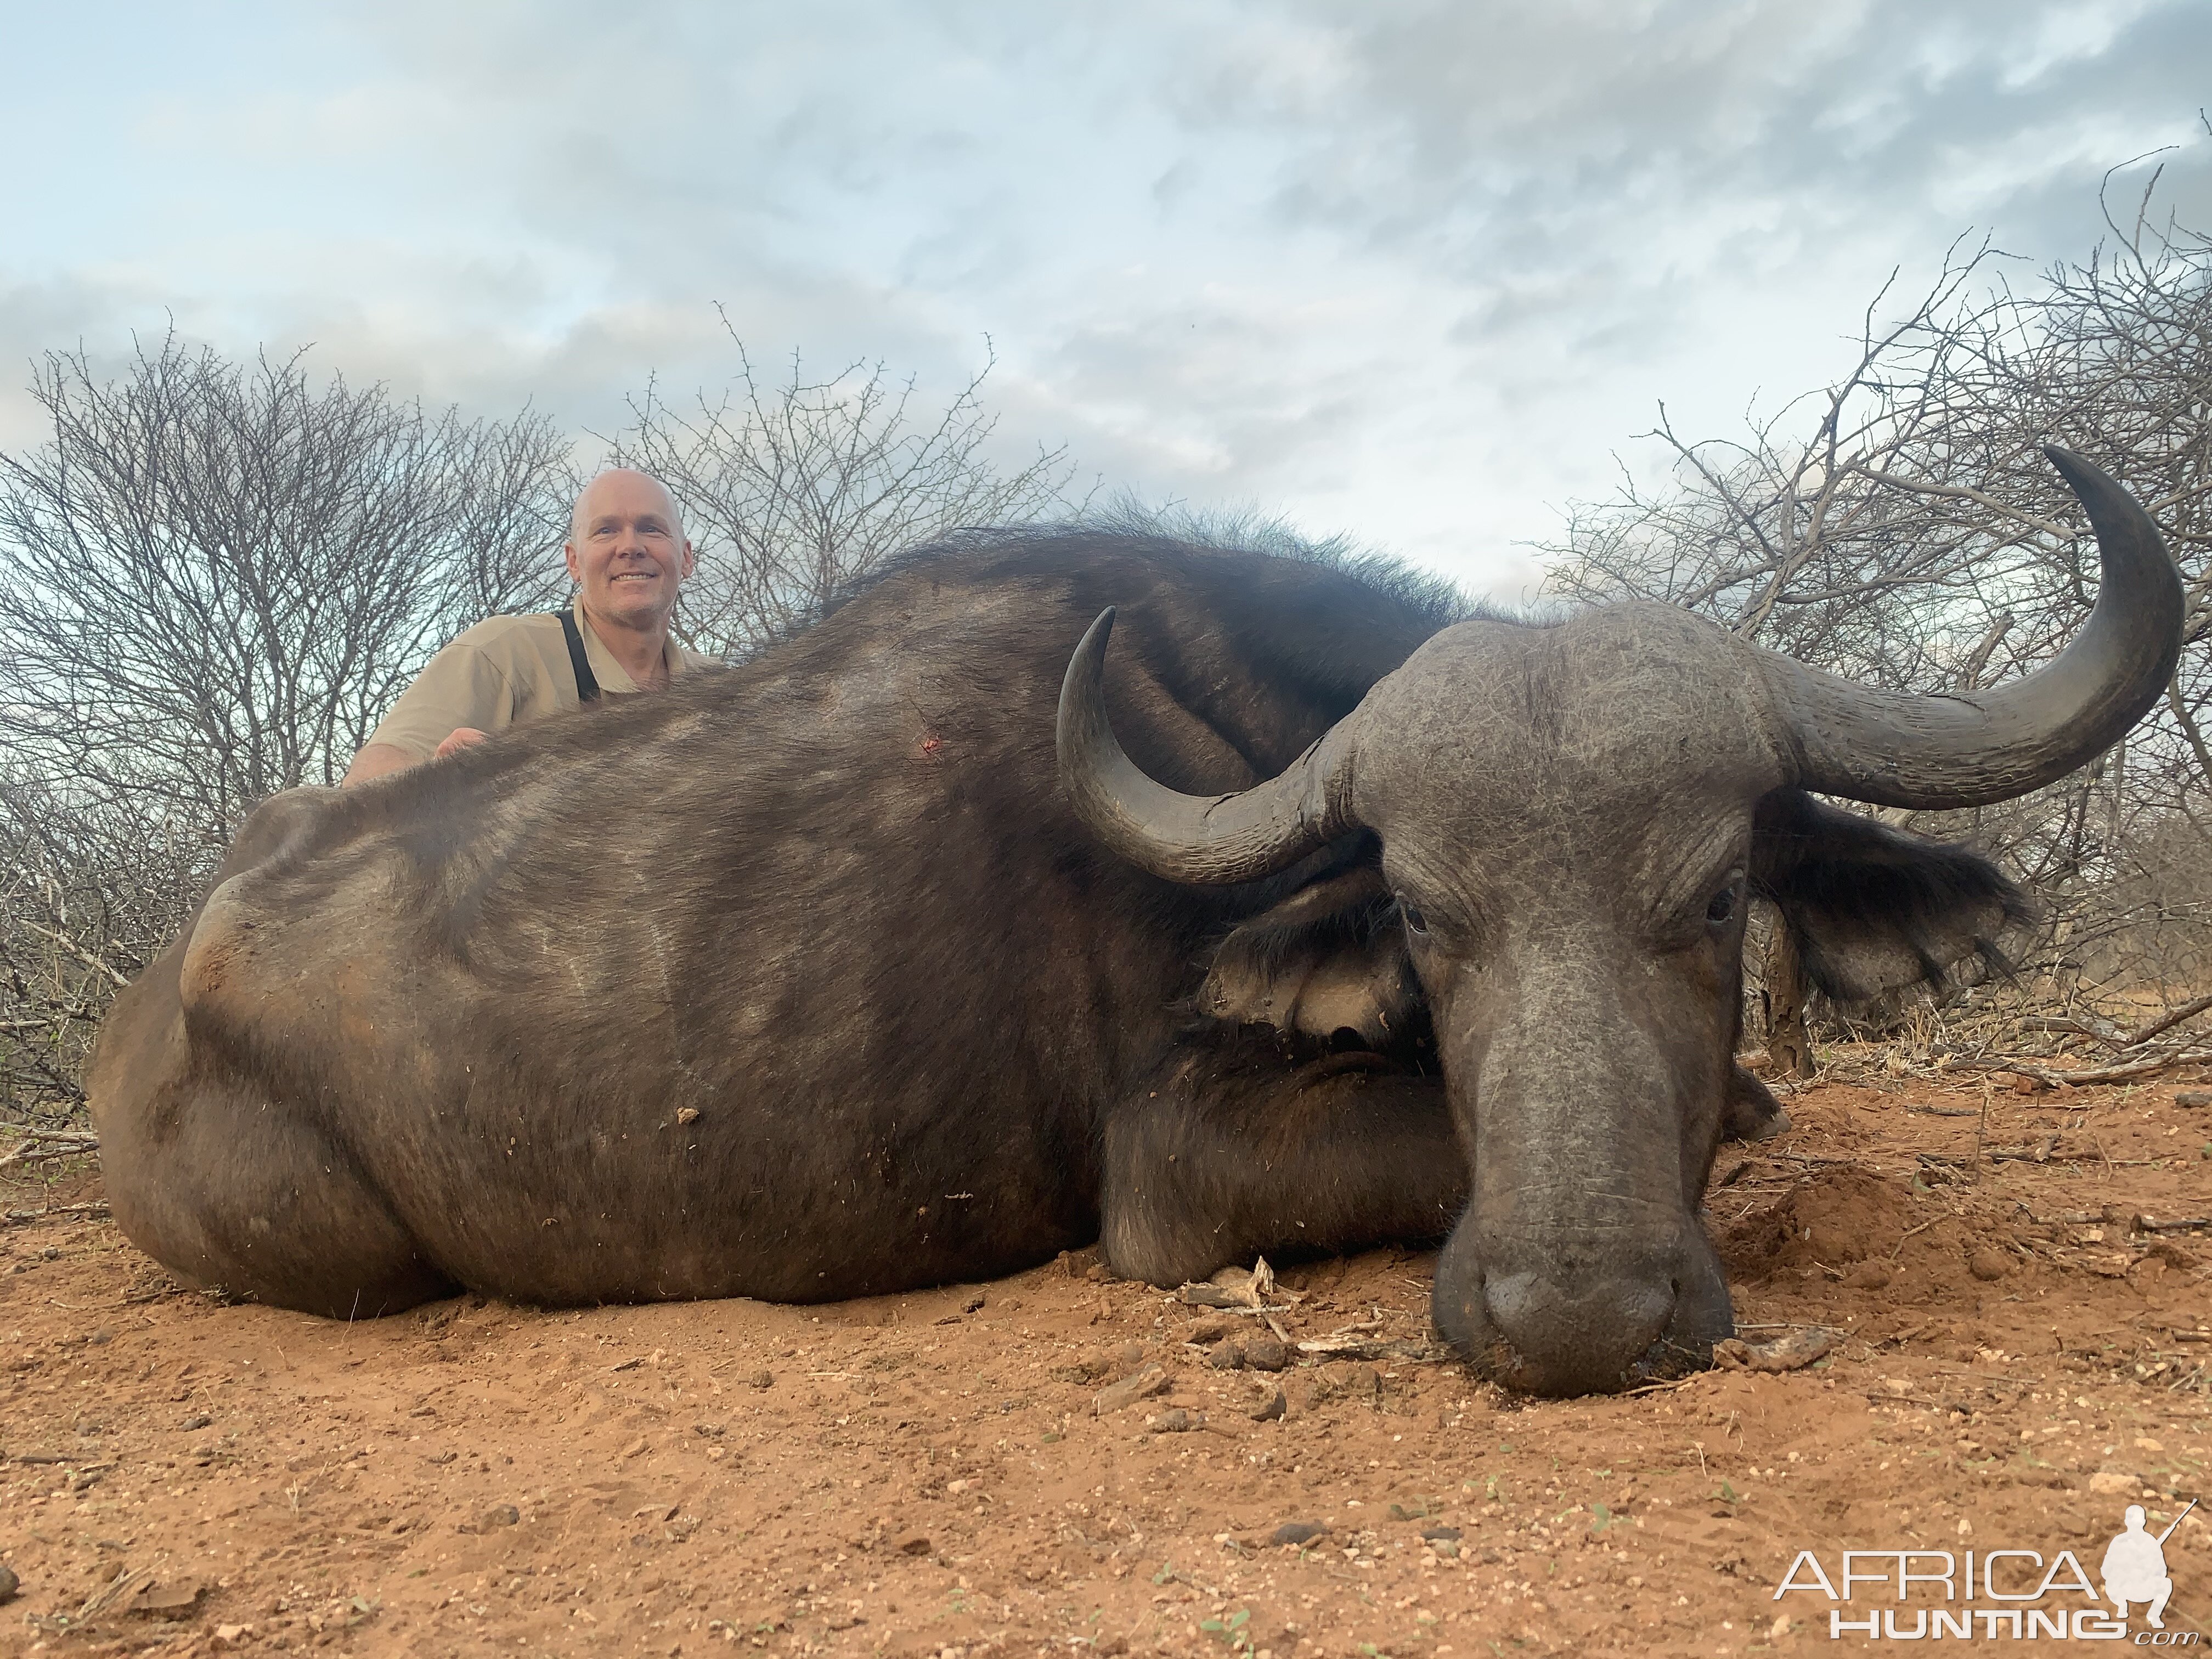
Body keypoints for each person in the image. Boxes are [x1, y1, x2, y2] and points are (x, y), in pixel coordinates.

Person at [343, 468, 716, 786]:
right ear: (574, 562)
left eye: (652, 529)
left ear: (685, 558)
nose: (630, 547)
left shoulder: (721, 689)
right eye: (606, 531)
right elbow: (368, 782)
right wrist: (444, 784)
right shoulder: (503, 652)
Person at [2100, 1504, 2173, 1629]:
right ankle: (2122, 1608)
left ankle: (2153, 1616)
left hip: (2143, 1587)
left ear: (2144, 1522)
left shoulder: (2151, 1543)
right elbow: (2106, 1571)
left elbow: (2162, 1571)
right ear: (2126, 1522)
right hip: (2121, 1588)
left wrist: (2148, 1570)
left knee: (2166, 1584)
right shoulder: (2119, 1542)